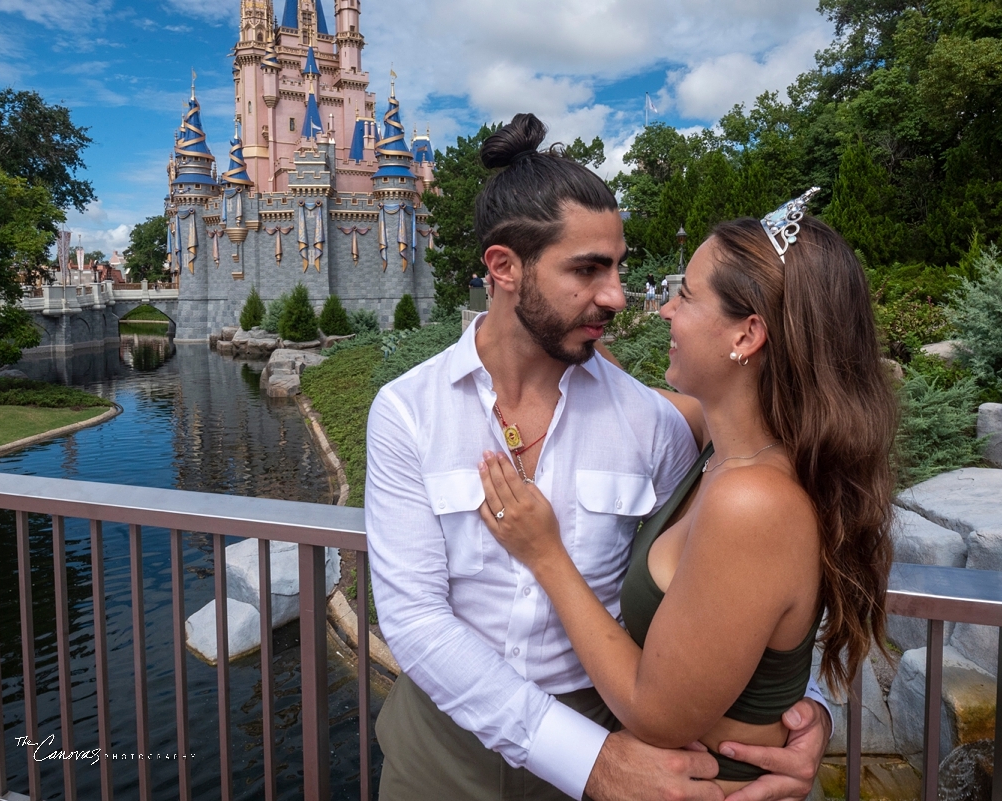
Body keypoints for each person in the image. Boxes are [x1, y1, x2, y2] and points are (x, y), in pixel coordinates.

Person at [366, 113, 834, 801]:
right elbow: (414, 620)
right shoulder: (407, 410)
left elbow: (739, 581)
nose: (618, 295)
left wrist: (802, 707)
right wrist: (587, 759)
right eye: (588, 270)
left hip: (615, 735)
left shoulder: (653, 422)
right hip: (443, 751)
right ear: (504, 268)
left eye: (617, 265)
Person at [476, 191, 898, 794]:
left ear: (748, 335)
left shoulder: (751, 501)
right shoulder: (722, 445)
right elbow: (614, 391)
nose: (663, 309)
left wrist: (545, 554)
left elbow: (656, 711)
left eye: (687, 295)